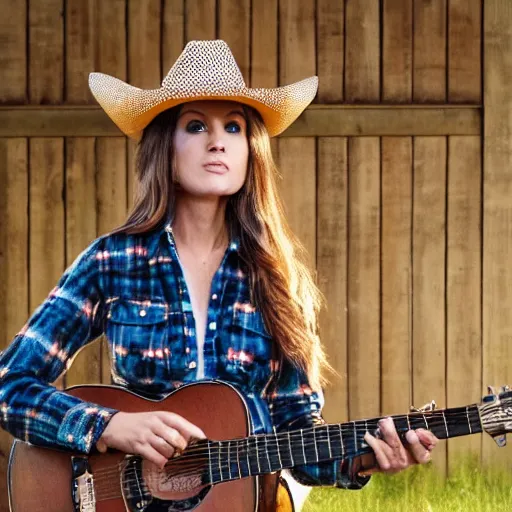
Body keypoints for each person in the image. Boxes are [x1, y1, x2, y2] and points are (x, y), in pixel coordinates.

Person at [0, 40, 437, 510]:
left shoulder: (278, 277)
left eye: (234, 125)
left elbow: (296, 434)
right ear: (164, 147)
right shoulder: (113, 260)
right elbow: (10, 384)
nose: (218, 140)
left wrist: (363, 458)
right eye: (195, 125)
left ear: (252, 150)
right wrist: (109, 425)